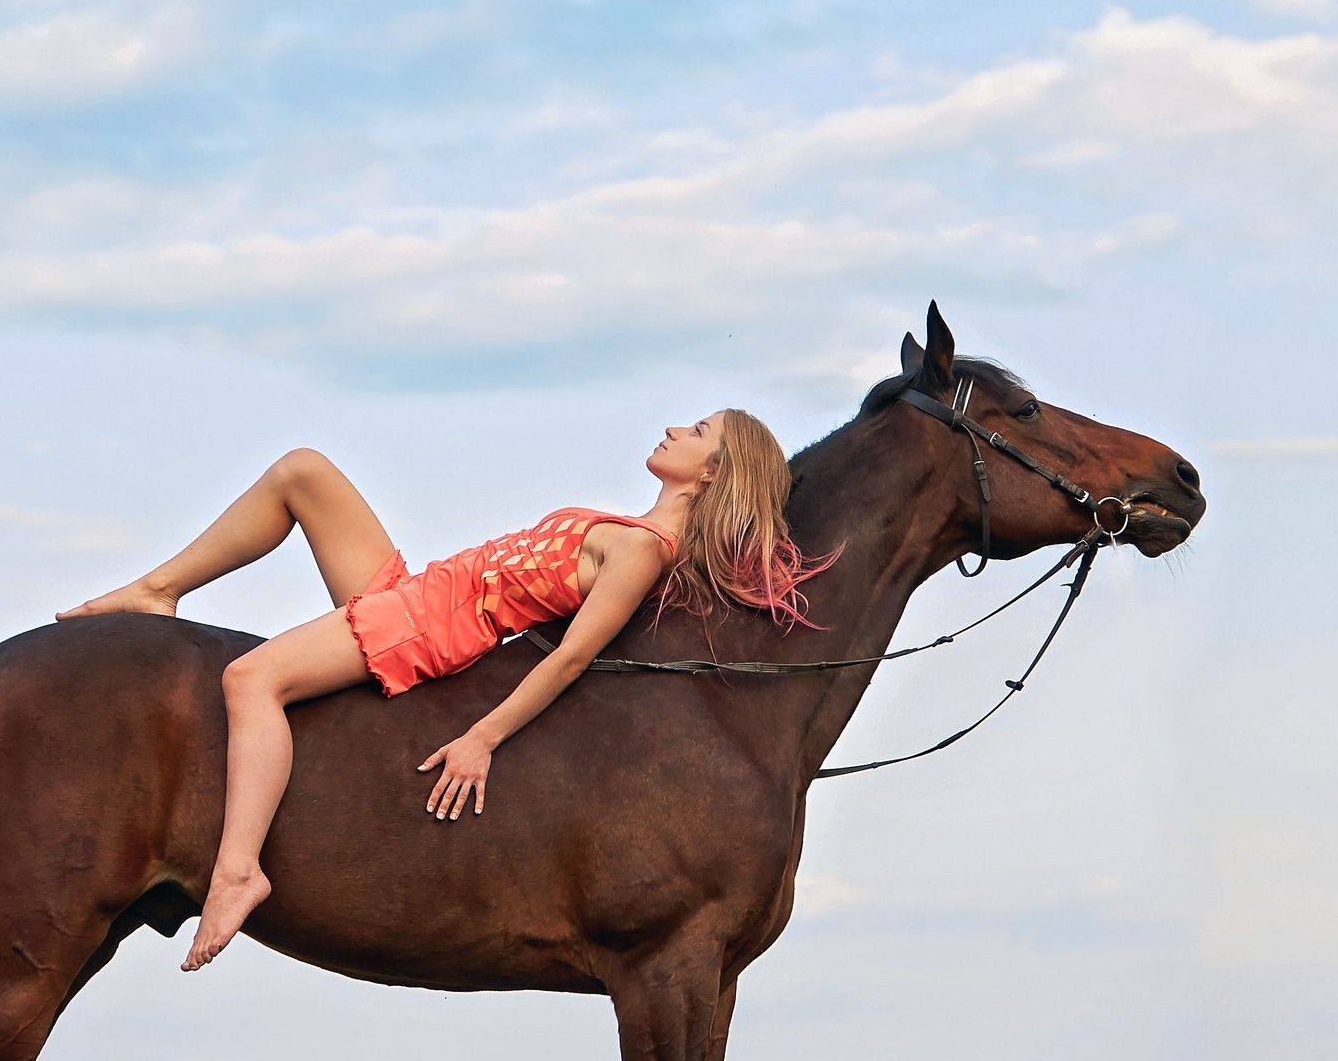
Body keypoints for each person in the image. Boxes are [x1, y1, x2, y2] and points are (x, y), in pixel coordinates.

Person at [61, 410, 823, 971]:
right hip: (419, 592)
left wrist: (483, 737)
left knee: (250, 677)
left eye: (694, 432)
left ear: (714, 472)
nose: (672, 429)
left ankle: (237, 870)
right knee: (302, 469)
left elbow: (567, 661)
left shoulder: (643, 552)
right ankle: (157, 590)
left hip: (424, 629)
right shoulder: (628, 529)